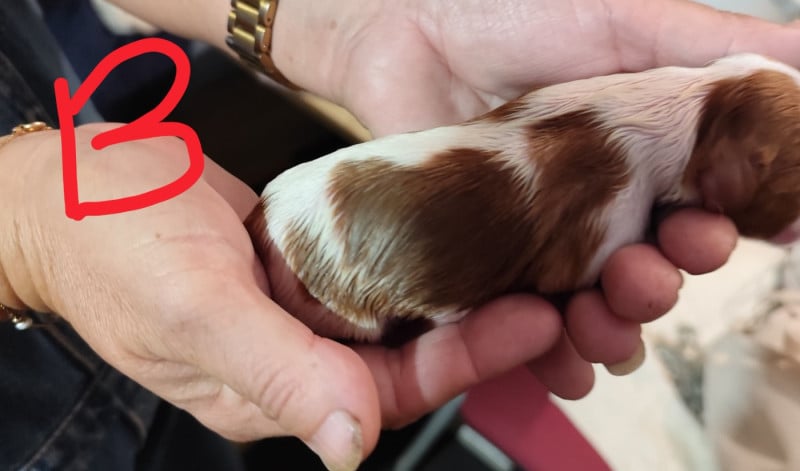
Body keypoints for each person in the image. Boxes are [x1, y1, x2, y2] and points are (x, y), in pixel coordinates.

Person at [1, 0, 797, 469]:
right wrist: (27, 235)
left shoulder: (614, 123)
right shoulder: (615, 188)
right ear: (731, 171)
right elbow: (564, 268)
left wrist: (347, 21)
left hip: (196, 257)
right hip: (319, 290)